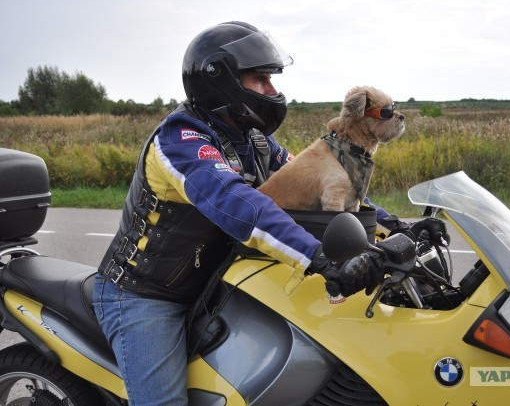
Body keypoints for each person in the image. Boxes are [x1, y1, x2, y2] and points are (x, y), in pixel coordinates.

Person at [92, 21, 390, 406]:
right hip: (147, 296)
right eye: (260, 80)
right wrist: (320, 260)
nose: (272, 90)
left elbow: (318, 178)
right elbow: (238, 203)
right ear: (223, 81)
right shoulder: (182, 139)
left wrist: (393, 224)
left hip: (216, 282)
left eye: (271, 78)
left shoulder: (253, 139)